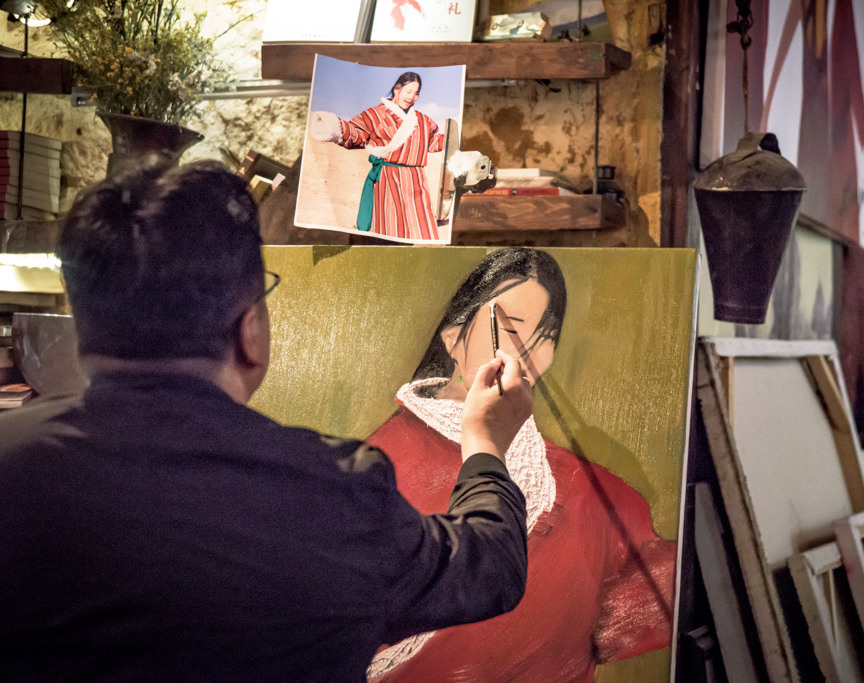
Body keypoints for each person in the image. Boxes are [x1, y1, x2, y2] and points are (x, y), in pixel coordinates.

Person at [0, 160, 533, 681]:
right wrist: (485, 444)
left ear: (81, 323)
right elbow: (489, 569)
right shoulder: (337, 494)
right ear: (249, 331)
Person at [364, 248, 677, 681]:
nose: (529, 353)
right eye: (510, 329)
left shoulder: (583, 486)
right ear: (453, 337)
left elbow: (641, 605)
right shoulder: (376, 472)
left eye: (547, 336)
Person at [309, 71, 444, 241]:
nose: (412, 97)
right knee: (391, 230)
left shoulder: (423, 121)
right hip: (388, 180)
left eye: (416, 93)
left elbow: (431, 143)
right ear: (397, 89)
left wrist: (454, 138)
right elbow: (357, 133)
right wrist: (335, 127)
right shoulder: (374, 116)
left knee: (422, 229)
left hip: (416, 181)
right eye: (409, 91)